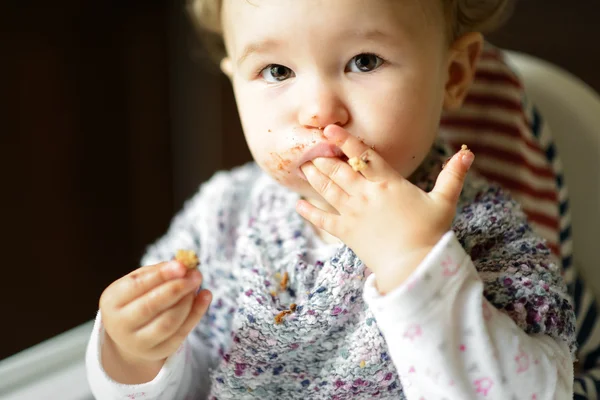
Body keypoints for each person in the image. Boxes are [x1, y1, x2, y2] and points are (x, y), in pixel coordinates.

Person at [86, 1, 577, 398]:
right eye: (277, 71)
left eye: (363, 62)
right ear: (234, 80)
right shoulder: (222, 218)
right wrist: (134, 357)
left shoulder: (481, 229)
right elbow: (191, 383)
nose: (318, 110)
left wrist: (415, 264)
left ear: (452, 76)